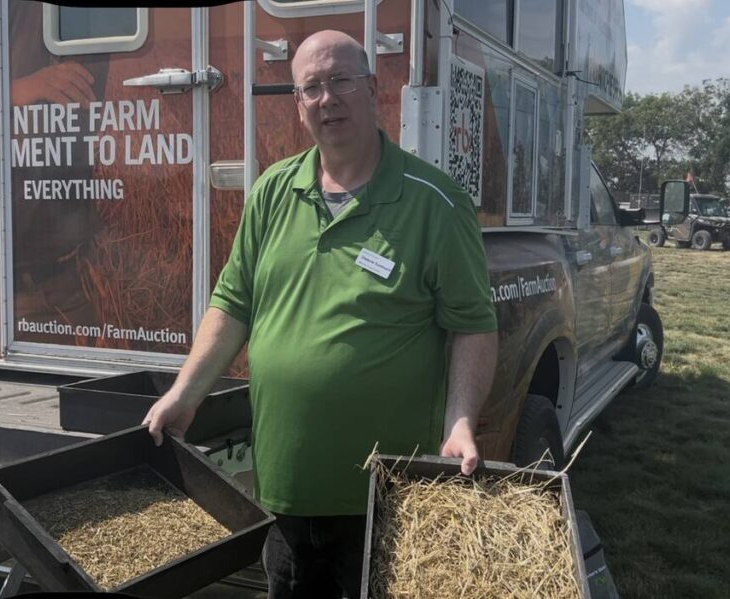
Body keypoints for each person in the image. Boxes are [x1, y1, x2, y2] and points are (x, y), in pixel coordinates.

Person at [143, 30, 498, 599]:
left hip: (387, 495)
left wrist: (459, 421)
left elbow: (472, 325)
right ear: (298, 103)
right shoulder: (272, 191)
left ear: (372, 89)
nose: (327, 98)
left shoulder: (434, 200)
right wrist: (186, 394)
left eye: (340, 81)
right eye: (312, 87)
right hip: (284, 497)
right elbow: (233, 303)